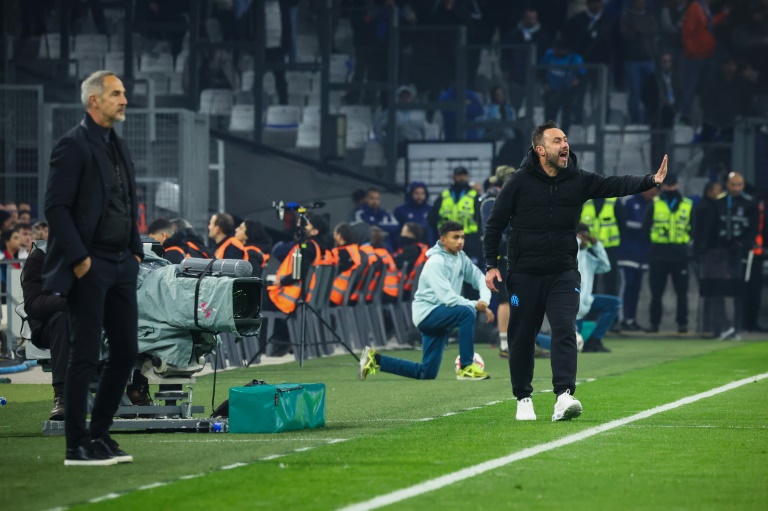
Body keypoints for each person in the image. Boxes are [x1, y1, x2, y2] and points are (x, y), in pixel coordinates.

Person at [483, 120, 667, 422]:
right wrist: (491, 265)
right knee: (522, 335)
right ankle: (523, 398)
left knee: (565, 328)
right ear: (540, 149)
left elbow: (613, 184)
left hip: (563, 273)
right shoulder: (517, 182)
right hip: (523, 275)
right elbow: (494, 225)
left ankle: (564, 395)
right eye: (557, 140)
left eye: (565, 139)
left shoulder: (578, 179)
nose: (564, 144)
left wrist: (650, 180)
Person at [44, 70, 144, 466]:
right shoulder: (72, 146)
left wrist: (136, 250)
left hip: (122, 262)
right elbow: (55, 207)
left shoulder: (115, 143)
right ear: (94, 101)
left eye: (123, 93)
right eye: (116, 94)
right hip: (91, 264)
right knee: (83, 356)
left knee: (125, 352)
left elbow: (125, 202)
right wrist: (80, 261)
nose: (123, 100)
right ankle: (76, 445)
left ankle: (100, 435)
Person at [358, 221, 494, 381]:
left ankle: (374, 359)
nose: (460, 241)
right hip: (428, 314)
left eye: (462, 237)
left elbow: (480, 278)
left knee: (427, 373)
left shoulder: (461, 258)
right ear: (443, 240)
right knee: (466, 312)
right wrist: (476, 306)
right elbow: (448, 298)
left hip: (441, 315)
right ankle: (466, 367)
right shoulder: (436, 262)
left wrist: (484, 300)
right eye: (455, 237)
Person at [21, 241, 68, 421]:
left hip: (93, 323)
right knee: (62, 318)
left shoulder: (100, 252)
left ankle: (138, 389)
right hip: (50, 326)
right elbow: (33, 304)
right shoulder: (41, 255)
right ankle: (62, 396)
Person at [642, 173, 692, 333]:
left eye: (672, 184)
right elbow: (645, 229)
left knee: (682, 292)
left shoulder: (687, 205)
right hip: (659, 254)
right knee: (656, 292)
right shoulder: (655, 204)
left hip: (680, 253)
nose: (670, 187)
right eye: (667, 185)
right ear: (662, 186)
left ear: (677, 184)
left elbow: (694, 228)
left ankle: (682, 323)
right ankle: (654, 323)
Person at [714, 172, 758, 340]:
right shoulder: (719, 202)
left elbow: (753, 230)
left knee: (738, 290)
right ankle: (722, 326)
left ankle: (737, 327)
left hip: (740, 253)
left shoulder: (750, 204)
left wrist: (743, 245)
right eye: (733, 184)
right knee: (719, 289)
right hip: (719, 253)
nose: (736, 188)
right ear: (727, 184)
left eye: (739, 185)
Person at [617, 187, 658, 331]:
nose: (653, 194)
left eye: (655, 192)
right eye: (651, 191)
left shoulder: (654, 205)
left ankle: (631, 319)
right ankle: (622, 319)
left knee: (636, 288)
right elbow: (622, 224)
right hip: (627, 252)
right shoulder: (629, 201)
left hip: (643, 254)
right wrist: (643, 228)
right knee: (627, 285)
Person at [428, 166, 483, 265]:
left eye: (464, 175)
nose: (461, 177)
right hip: (448, 242)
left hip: (469, 242)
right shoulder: (444, 196)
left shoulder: (474, 196)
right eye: (459, 175)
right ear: (453, 177)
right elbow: (431, 219)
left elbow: (481, 220)